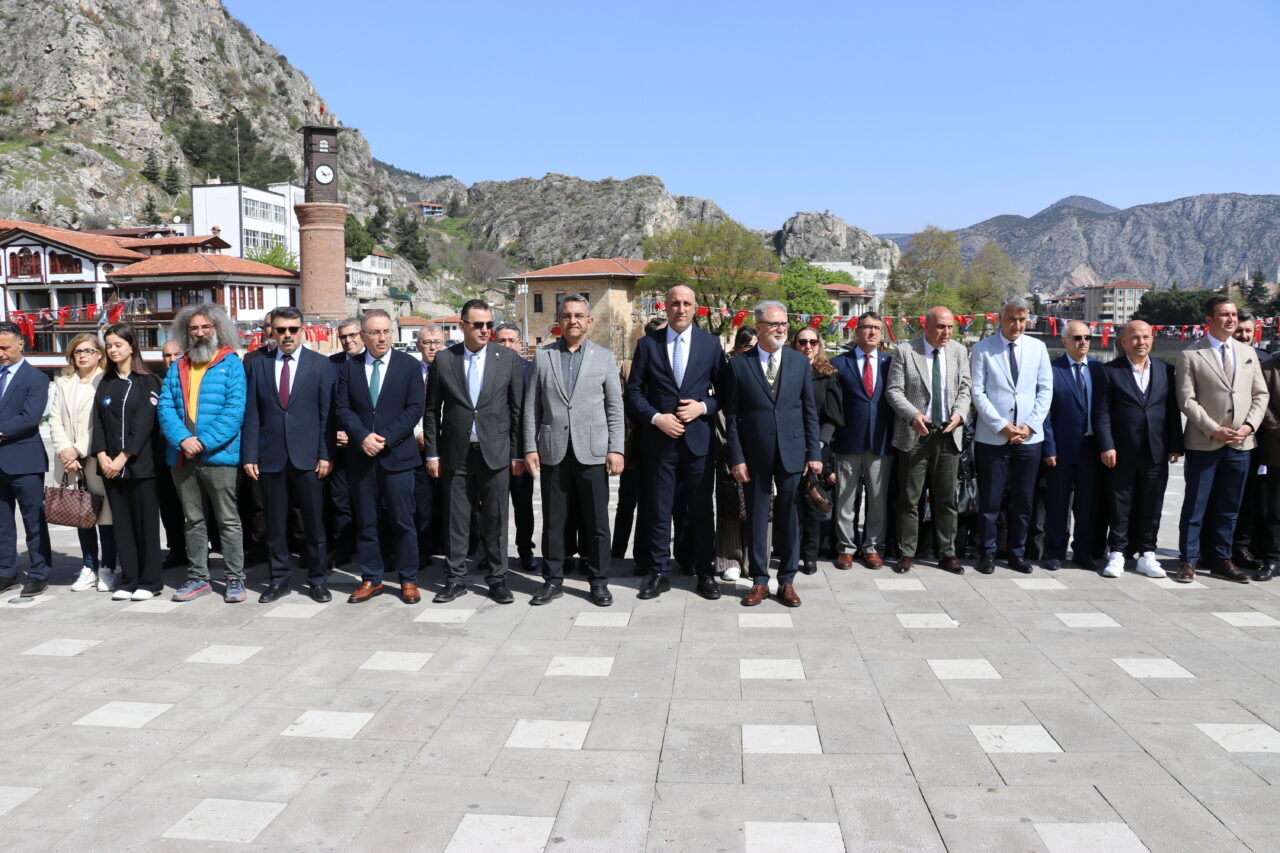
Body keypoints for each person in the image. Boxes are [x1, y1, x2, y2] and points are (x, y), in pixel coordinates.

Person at [522, 295, 625, 606]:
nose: (573, 320)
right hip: (553, 450)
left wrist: (616, 449)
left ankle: (599, 581)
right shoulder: (543, 356)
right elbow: (532, 407)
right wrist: (530, 447)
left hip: (592, 451)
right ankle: (552, 580)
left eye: (579, 315)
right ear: (559, 321)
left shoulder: (604, 357)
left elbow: (614, 407)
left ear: (589, 321)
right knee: (554, 521)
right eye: (566, 315)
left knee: (597, 522)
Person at [625, 285, 725, 600]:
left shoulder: (711, 344)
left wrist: (703, 407)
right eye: (675, 303)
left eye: (686, 304)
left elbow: (726, 392)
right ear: (665, 307)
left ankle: (705, 572)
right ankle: (658, 572)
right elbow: (633, 393)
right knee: (658, 509)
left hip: (698, 442)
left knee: (700, 509)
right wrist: (656, 418)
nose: (680, 309)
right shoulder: (648, 345)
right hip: (659, 441)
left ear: (695, 308)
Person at [423, 299, 525, 604]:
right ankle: (455, 579)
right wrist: (432, 454)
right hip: (457, 453)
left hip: (496, 453)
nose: (485, 330)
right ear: (462, 325)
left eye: (489, 325)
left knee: (495, 519)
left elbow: (517, 410)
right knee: (456, 519)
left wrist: (517, 453)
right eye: (478, 324)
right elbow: (432, 411)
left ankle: (498, 579)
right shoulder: (445, 359)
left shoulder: (507, 359)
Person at [723, 301, 822, 607]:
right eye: (774, 324)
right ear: (759, 327)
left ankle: (787, 580)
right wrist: (736, 457)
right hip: (754, 453)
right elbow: (732, 417)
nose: (781, 329)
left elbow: (809, 411)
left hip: (792, 450)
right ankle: (759, 580)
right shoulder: (739, 364)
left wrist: (814, 452)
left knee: (789, 515)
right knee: (756, 516)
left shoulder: (798, 362)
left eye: (784, 324)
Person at [1174, 295, 1269, 584]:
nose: (1231, 320)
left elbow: (1260, 394)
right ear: (1209, 320)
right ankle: (1188, 560)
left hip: (1241, 443)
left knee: (1229, 507)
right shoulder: (1191, 354)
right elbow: (1186, 400)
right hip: (1205, 442)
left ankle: (1221, 560)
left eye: (1234, 315)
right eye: (1225, 315)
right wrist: (1213, 428)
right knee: (1196, 506)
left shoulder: (1247, 352)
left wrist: (1249, 426)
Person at [157, 302, 248, 603]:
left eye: (205, 327)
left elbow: (234, 411)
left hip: (219, 456)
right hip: (183, 457)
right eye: (194, 328)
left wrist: (203, 442)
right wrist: (183, 439)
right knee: (193, 520)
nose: (199, 333)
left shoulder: (230, 363)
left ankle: (234, 578)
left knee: (228, 521)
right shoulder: (178, 366)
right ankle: (198, 578)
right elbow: (165, 408)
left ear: (217, 329)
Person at [242, 306, 333, 603]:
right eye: (281, 330)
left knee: (314, 523)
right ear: (273, 332)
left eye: (293, 329)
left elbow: (326, 415)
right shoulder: (258, 365)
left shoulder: (320, 365)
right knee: (275, 523)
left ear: (302, 330)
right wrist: (250, 455)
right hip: (270, 457)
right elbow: (252, 413)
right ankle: (278, 578)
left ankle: (317, 579)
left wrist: (325, 454)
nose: (287, 335)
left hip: (309, 457)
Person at [336, 309, 425, 603]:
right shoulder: (349, 368)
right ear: (363, 336)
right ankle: (371, 578)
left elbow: (414, 408)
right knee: (367, 521)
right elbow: (343, 408)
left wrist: (384, 439)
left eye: (387, 331)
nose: (382, 337)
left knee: (403, 521)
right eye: (375, 332)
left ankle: (408, 579)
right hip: (362, 459)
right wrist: (362, 437)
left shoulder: (408, 365)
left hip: (397, 456)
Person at [884, 306, 972, 574]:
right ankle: (906, 553)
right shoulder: (905, 350)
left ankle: (947, 553)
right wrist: (913, 416)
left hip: (948, 434)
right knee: (910, 499)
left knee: (946, 499)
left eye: (950, 327)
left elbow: (965, 388)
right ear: (926, 326)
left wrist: (959, 415)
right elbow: (894, 390)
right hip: (916, 434)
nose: (946, 333)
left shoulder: (958, 351)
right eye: (941, 327)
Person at [969, 296, 1053, 575]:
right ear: (1000, 319)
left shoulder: (1038, 348)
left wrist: (1030, 425)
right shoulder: (982, 349)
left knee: (1023, 500)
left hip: (1029, 439)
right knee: (990, 501)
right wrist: (1001, 425)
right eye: (1012, 319)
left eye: (1022, 319)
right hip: (993, 437)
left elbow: (1045, 390)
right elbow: (978, 392)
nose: (1017, 325)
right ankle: (987, 552)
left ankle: (1017, 553)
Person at [1094, 321, 1182, 578]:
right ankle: (1117, 553)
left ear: (1152, 340)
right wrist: (1107, 445)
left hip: (1156, 450)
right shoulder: (1109, 371)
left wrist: (1175, 444)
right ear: (1123, 342)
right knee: (1120, 503)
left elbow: (1172, 411)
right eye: (1134, 338)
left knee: (1152, 504)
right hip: (1121, 451)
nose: (1140, 342)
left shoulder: (1166, 370)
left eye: (1145, 337)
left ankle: (1147, 554)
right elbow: (1101, 414)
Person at [91, 324, 164, 601]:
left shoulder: (148, 381)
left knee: (145, 525)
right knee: (121, 525)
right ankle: (130, 579)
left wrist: (123, 458)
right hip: (111, 468)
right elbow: (97, 422)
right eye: (109, 345)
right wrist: (102, 456)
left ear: (131, 346)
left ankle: (150, 581)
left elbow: (144, 425)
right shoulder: (105, 382)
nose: (112, 350)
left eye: (118, 344)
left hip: (141, 466)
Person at [49, 333, 117, 592]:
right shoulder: (64, 381)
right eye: (78, 351)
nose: (83, 355)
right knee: (80, 515)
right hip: (69, 461)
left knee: (105, 517)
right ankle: (89, 567)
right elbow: (55, 419)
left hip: (97, 457)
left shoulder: (106, 380)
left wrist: (77, 450)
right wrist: (65, 450)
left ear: (100, 354)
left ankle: (108, 567)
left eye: (89, 350)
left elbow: (101, 424)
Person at [1040, 320, 1106, 570]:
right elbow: (1045, 413)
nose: (1083, 342)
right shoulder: (1052, 370)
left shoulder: (1099, 370)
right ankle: (1054, 552)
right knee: (1058, 503)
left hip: (1091, 448)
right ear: (1065, 341)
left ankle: (1083, 551)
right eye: (1077, 338)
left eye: (1087, 337)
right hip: (1061, 449)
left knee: (1087, 504)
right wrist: (1049, 447)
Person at [831, 313, 894, 571]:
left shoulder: (891, 364)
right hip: (848, 440)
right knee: (845, 498)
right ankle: (846, 548)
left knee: (877, 500)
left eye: (876, 328)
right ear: (856, 331)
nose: (872, 332)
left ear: (882, 332)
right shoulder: (838, 363)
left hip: (881, 441)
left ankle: (872, 547)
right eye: (866, 327)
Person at [0, 321, 52, 597]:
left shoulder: (36, 378)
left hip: (25, 461)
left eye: (4, 348)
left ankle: (39, 572)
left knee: (34, 521)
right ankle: (6, 571)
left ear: (21, 344)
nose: (0, 353)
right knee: (2, 523)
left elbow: (29, 418)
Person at [792, 326, 843, 574]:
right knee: (789, 501)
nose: (808, 346)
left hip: (817, 447)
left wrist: (818, 445)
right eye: (802, 342)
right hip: (789, 443)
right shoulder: (785, 370)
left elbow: (832, 417)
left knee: (812, 500)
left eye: (813, 342)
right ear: (794, 344)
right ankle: (789, 550)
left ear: (819, 345)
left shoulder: (827, 374)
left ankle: (810, 554)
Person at [494, 322, 538, 573]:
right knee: (493, 507)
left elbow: (530, 414)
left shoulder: (530, 371)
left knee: (523, 505)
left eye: (512, 341)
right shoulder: (486, 368)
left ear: (520, 344)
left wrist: (523, 452)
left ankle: (525, 549)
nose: (507, 345)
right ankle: (492, 552)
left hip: (521, 451)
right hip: (492, 451)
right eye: (502, 340)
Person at [715, 325, 755, 581]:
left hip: (759, 444)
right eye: (748, 346)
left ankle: (755, 558)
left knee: (760, 504)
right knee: (730, 500)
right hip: (728, 441)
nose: (752, 352)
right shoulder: (728, 371)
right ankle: (730, 558)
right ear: (737, 349)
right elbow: (722, 408)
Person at [1232, 311, 1267, 572]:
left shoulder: (1265, 360)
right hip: (1227, 438)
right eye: (1239, 331)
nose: (1244, 336)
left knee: (1256, 497)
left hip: (1261, 440)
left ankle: (1248, 546)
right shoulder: (1216, 357)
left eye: (1248, 331)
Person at [327, 317, 364, 567]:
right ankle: (342, 548)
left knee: (370, 501)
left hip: (366, 443)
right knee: (339, 500)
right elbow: (326, 405)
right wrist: (335, 433)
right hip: (338, 446)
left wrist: (356, 435)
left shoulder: (371, 362)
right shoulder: (331, 364)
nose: (348, 341)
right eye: (343, 337)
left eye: (352, 335)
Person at [413, 325, 446, 569]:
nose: (432, 347)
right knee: (421, 504)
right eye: (427, 342)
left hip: (447, 445)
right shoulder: (411, 372)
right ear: (418, 346)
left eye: (437, 342)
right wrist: (418, 434)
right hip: (417, 446)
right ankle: (423, 551)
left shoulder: (453, 370)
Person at [157, 339, 187, 570]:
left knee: (195, 509)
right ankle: (176, 549)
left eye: (176, 354)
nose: (171, 359)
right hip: (163, 455)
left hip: (191, 451)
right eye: (167, 355)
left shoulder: (193, 379)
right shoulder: (156, 381)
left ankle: (200, 550)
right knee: (169, 507)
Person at [1256, 349, 1280, 580]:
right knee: (1275, 509)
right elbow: (1263, 406)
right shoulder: (1268, 369)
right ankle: (1273, 559)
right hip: (1276, 447)